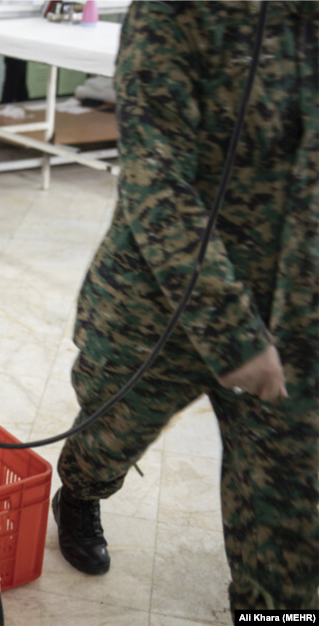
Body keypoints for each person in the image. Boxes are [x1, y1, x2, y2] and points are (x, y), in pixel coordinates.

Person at [52, 0, 317, 615]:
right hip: (161, 302)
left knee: (287, 513)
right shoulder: (175, 12)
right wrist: (233, 335)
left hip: (296, 309)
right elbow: (156, 176)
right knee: (107, 441)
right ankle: (81, 493)